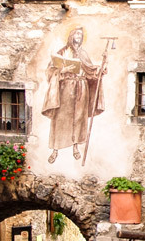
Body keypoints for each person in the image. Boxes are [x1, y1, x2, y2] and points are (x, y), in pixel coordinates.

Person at [42, 27, 105, 163]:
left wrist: (100, 69)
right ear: (71, 36)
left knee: (78, 118)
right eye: (76, 33)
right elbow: (50, 71)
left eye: (81, 34)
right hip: (66, 88)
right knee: (60, 118)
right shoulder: (63, 51)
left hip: (82, 88)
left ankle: (75, 147)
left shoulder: (83, 53)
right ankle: (55, 150)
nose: (79, 36)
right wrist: (62, 70)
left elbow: (90, 71)